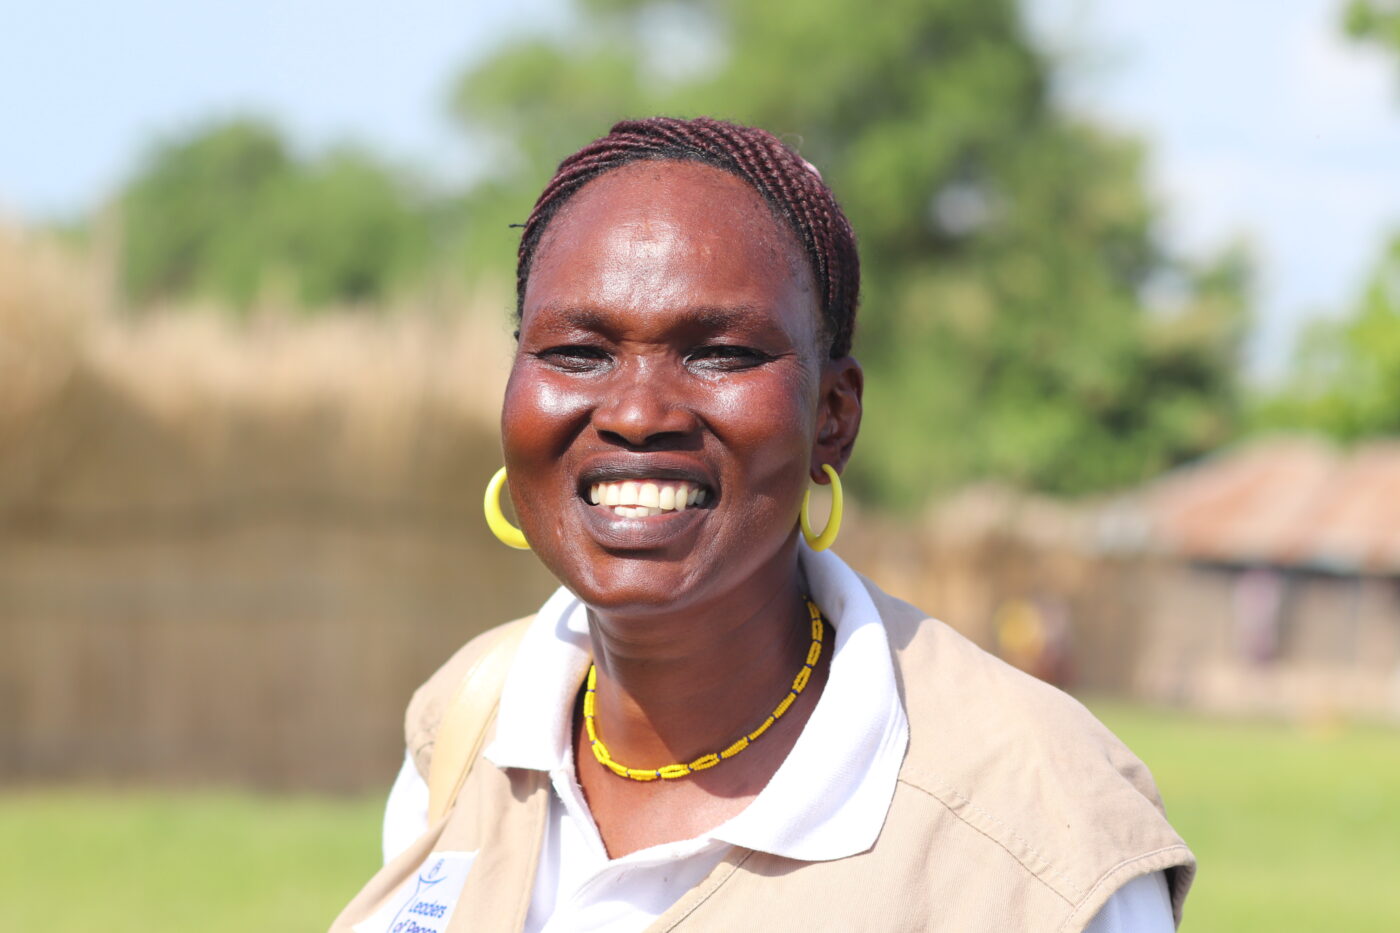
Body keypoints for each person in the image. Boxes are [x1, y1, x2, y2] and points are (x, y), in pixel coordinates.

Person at [331, 117, 1194, 933]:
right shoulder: (466, 728)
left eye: (722, 353)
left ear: (833, 416)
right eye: (576, 352)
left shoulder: (1041, 845)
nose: (635, 412)